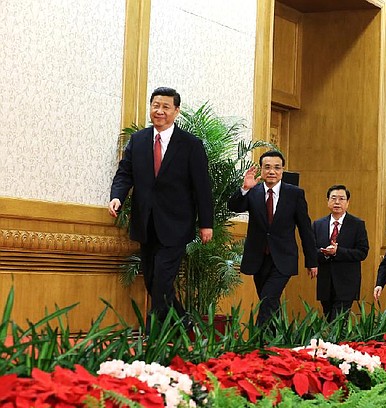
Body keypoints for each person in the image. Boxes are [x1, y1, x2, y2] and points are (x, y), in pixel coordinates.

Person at [108, 86, 213, 331]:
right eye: (156, 105)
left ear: (176, 111)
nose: (160, 111)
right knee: (154, 281)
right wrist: (117, 197)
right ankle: (185, 323)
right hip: (145, 223)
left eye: (166, 107)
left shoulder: (190, 144)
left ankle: (153, 337)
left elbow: (202, 187)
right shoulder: (139, 140)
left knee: (162, 280)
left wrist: (206, 224)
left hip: (176, 225)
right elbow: (125, 173)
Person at [227, 150, 318, 327]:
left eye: (277, 167)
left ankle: (259, 342)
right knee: (269, 303)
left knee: (268, 299)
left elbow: (305, 229)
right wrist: (245, 188)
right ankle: (277, 344)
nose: (272, 171)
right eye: (267, 167)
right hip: (258, 258)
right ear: (261, 170)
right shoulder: (253, 191)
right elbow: (234, 207)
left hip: (283, 259)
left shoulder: (294, 194)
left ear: (282, 170)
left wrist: (312, 260)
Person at [312, 185, 369, 321]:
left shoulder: (357, 224)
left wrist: (339, 252)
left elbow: (362, 252)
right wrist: (325, 253)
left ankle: (335, 342)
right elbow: (311, 250)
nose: (337, 202)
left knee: (338, 321)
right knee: (329, 318)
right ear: (328, 201)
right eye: (333, 198)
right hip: (325, 282)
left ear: (347, 203)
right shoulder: (318, 224)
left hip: (347, 282)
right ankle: (333, 343)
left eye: (341, 199)